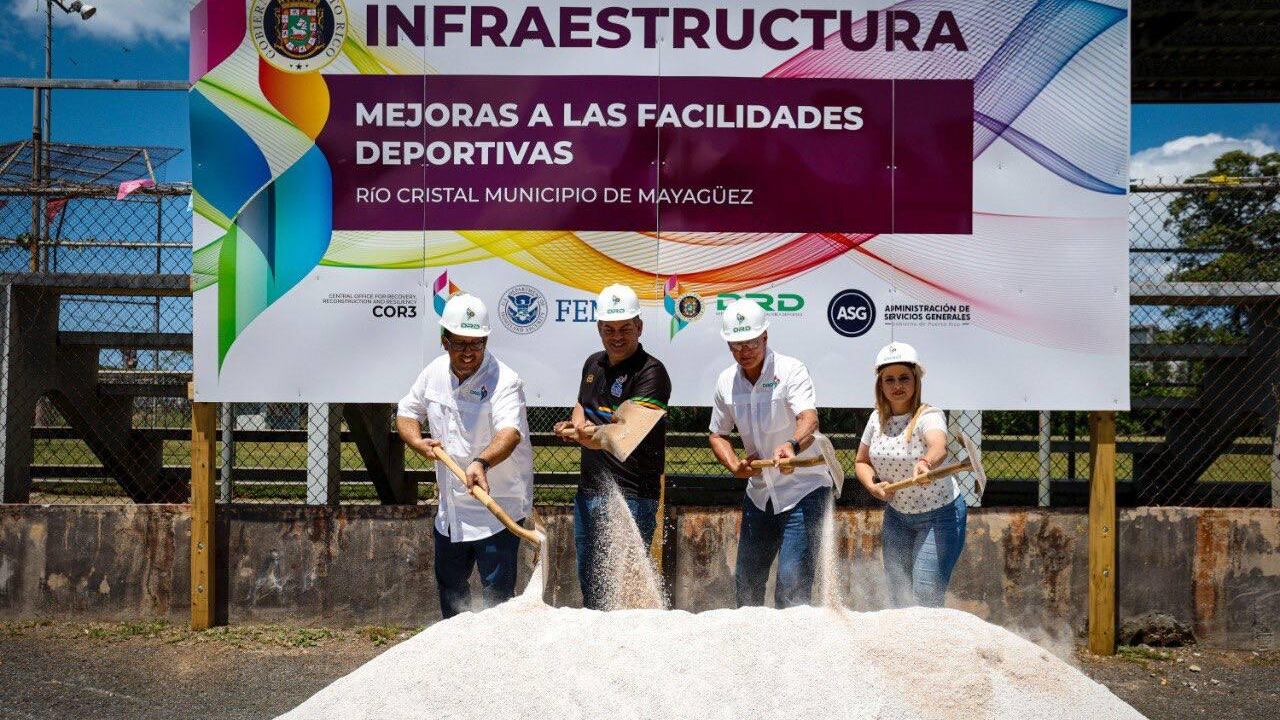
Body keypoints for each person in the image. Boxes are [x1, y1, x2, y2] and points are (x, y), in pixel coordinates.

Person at [396, 293, 534, 619]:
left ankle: (497, 649)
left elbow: (510, 433)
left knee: (497, 599)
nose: (469, 352)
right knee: (451, 589)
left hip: (498, 510)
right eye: (460, 344)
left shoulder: (505, 380)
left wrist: (481, 462)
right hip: (451, 513)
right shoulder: (433, 373)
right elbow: (407, 412)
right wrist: (417, 442)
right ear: (444, 341)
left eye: (477, 344)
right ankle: (456, 647)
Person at [707, 298, 831, 608]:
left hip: (804, 490)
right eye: (736, 344)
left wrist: (792, 445)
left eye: (751, 342)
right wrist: (734, 464)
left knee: (791, 586)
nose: (744, 350)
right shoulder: (726, 381)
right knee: (747, 583)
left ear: (765, 337)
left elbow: (808, 419)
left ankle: (795, 639)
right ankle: (749, 640)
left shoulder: (791, 370)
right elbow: (717, 434)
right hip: (760, 494)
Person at [554, 283, 671, 609]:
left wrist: (584, 435)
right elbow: (582, 405)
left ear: (639, 327)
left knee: (623, 590)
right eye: (609, 329)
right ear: (599, 329)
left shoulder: (652, 372)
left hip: (632, 496)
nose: (616, 337)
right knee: (591, 586)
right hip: (588, 492)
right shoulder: (593, 363)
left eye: (624, 329)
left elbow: (625, 434)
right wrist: (573, 425)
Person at [854, 341, 965, 608]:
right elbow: (861, 461)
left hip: (939, 516)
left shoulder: (930, 415)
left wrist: (926, 462)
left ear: (916, 380)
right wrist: (872, 485)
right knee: (899, 596)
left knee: (925, 598)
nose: (897, 385)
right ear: (880, 384)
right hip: (897, 517)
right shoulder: (875, 419)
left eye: (904, 378)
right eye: (889, 379)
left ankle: (931, 638)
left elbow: (938, 445)